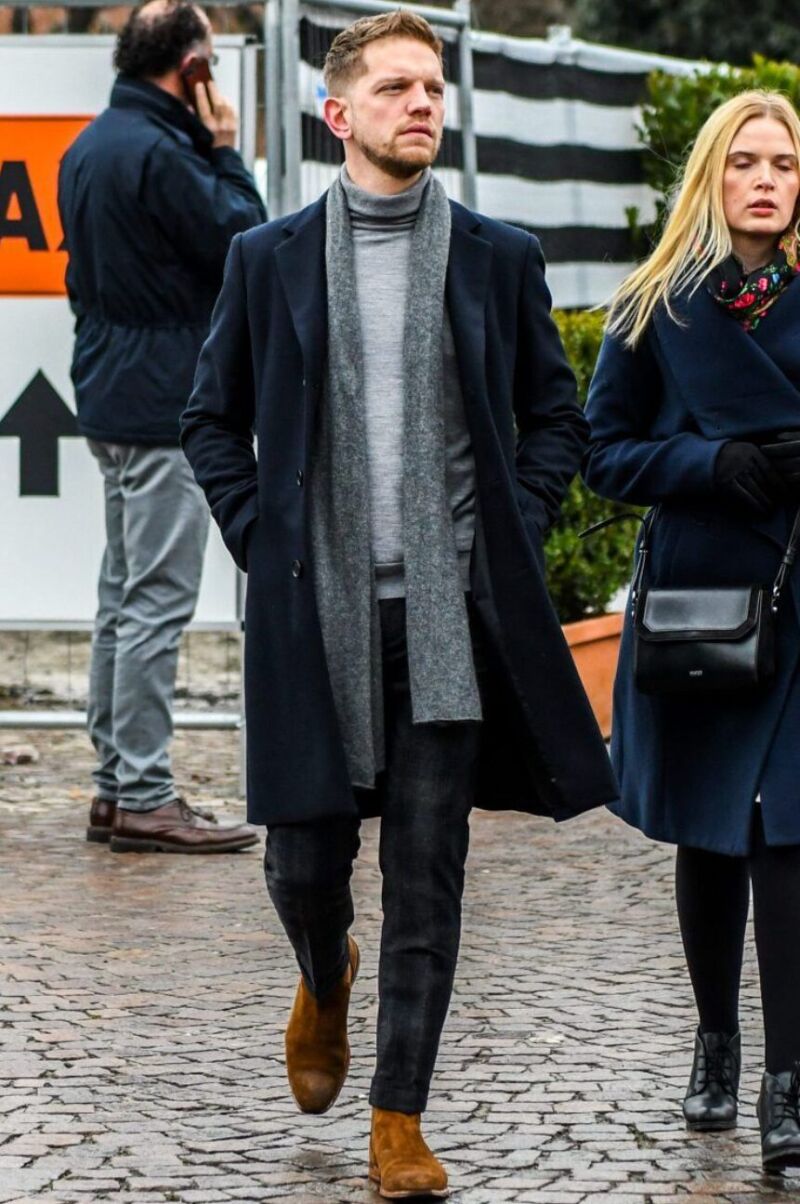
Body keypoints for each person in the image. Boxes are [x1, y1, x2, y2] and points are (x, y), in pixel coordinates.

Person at [181, 10, 617, 1197]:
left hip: (445, 623)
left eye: (431, 87)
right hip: (311, 617)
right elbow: (209, 418)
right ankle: (323, 973)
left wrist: (506, 530)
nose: (421, 104)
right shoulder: (266, 258)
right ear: (338, 113)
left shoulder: (496, 255)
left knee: (428, 874)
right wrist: (264, 537)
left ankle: (396, 1117)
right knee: (301, 865)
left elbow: (555, 416)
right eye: (394, 88)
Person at [584, 91, 800, 1174]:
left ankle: (787, 1083)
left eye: (783, 163)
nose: (764, 180)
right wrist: (707, 462)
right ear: (711, 176)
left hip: (798, 595)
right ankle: (716, 1041)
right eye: (744, 161)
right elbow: (602, 451)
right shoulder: (653, 307)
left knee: (787, 835)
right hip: (700, 608)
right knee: (710, 831)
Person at [58, 0, 266, 853]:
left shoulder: (89, 146)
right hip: (163, 404)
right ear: (193, 69)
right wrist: (227, 148)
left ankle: (118, 787)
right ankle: (144, 794)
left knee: (122, 597)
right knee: (155, 602)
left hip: (111, 393)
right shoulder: (167, 155)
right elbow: (247, 239)